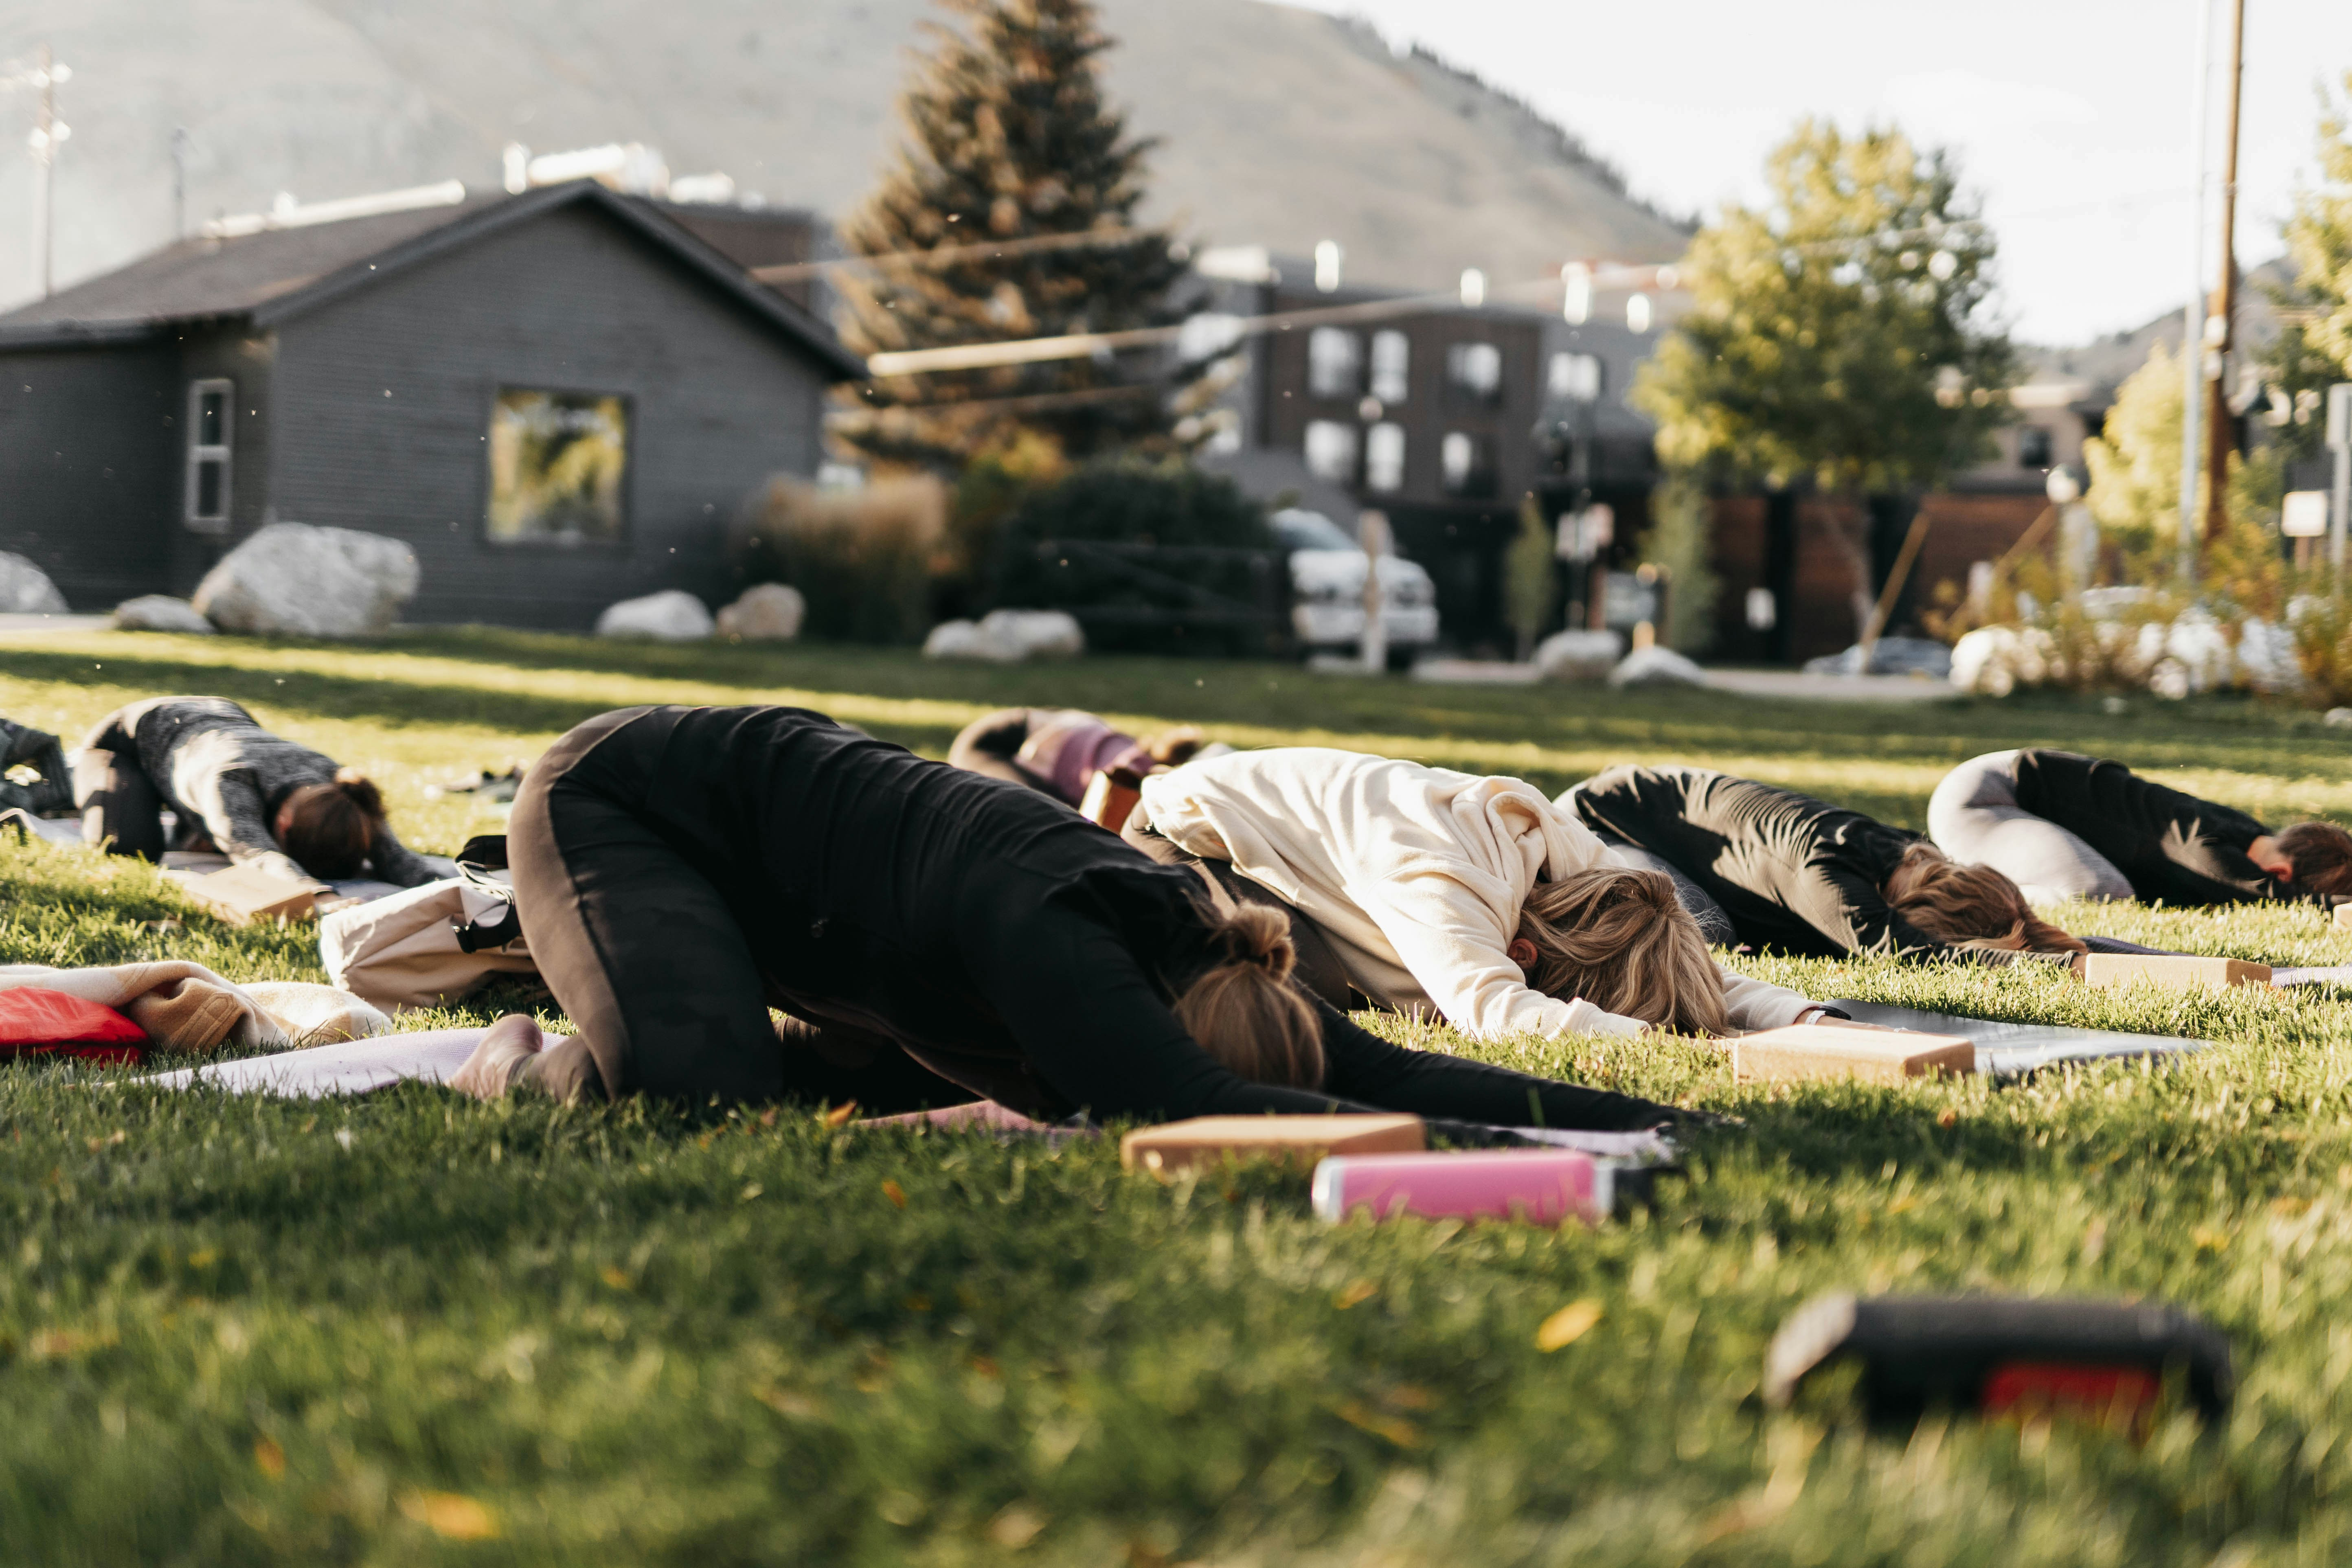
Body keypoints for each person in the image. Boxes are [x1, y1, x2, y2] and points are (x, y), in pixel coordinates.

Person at [448, 705, 1690, 1135]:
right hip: (633, 801)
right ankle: (515, 1063)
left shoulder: (1221, 950)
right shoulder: (1065, 943)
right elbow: (1183, 1104)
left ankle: (674, 1017)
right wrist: (1487, 1158)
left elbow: (1385, 1060)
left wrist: (1656, 1120)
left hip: (843, 895)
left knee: (858, 1086)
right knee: (700, 1106)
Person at [1126, 747, 1832, 1040]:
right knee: (1302, 985)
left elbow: (1706, 973)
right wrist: (1671, 1046)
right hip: (1180, 837)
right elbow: (1492, 1009)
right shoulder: (1439, 880)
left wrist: (1805, 1020)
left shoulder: (1581, 865)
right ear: (1523, 952)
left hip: (1325, 836)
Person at [1567, 764, 2085, 961]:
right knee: (1701, 929)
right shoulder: (1826, 874)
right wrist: (2065, 968)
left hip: (1637, 802)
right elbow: (1911, 955)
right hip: (1596, 822)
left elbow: (2028, 925)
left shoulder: (1901, 851)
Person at [74, 696, 443, 887]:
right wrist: (316, 894)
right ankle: (75, 785)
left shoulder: (343, 789)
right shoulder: (230, 782)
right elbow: (256, 853)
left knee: (213, 831)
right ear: (282, 826)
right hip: (129, 737)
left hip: (226, 716)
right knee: (128, 848)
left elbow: (396, 857)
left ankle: (198, 825)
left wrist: (451, 889)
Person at [1929, 749, 2352, 908]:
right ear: (2281, 872)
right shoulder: (2209, 845)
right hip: (1986, 799)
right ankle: (1945, 882)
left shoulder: (2245, 829)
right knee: (2101, 892)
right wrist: (2333, 905)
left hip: (1998, 777)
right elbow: (2256, 892)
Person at [947, 707, 1215, 809]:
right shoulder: (1130, 778)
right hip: (993, 744)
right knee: (1041, 815)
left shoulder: (1141, 757)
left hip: (1043, 726)